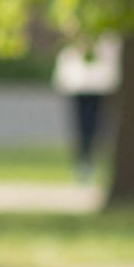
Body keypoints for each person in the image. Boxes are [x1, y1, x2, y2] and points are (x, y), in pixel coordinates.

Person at [51, 34, 121, 181]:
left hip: (98, 84)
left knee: (95, 126)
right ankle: (84, 160)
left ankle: (89, 160)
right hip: (80, 84)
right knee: (83, 126)